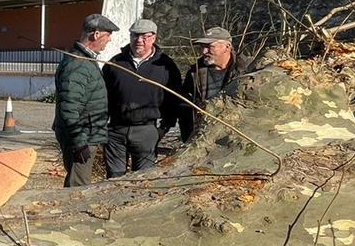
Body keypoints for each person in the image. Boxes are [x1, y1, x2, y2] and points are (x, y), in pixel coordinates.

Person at [102, 19, 183, 177]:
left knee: (143, 178)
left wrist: (163, 129)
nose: (139, 41)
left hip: (146, 131)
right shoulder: (115, 63)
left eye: (144, 37)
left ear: (154, 38)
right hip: (116, 131)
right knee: (114, 177)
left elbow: (173, 101)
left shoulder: (165, 66)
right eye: (134, 36)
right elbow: (103, 97)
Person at [53, 13, 118, 187]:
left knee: (78, 180)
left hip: (86, 133)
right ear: (96, 34)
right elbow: (69, 108)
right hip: (82, 136)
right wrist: (79, 143)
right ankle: (71, 213)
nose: (109, 40)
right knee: (78, 184)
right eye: (108, 35)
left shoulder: (85, 59)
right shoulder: (78, 63)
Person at [180, 26, 246, 140]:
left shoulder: (246, 69)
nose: (204, 51)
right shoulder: (195, 72)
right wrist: (189, 139)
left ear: (227, 47)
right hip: (206, 135)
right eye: (202, 47)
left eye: (209, 46)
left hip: (239, 135)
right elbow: (185, 109)